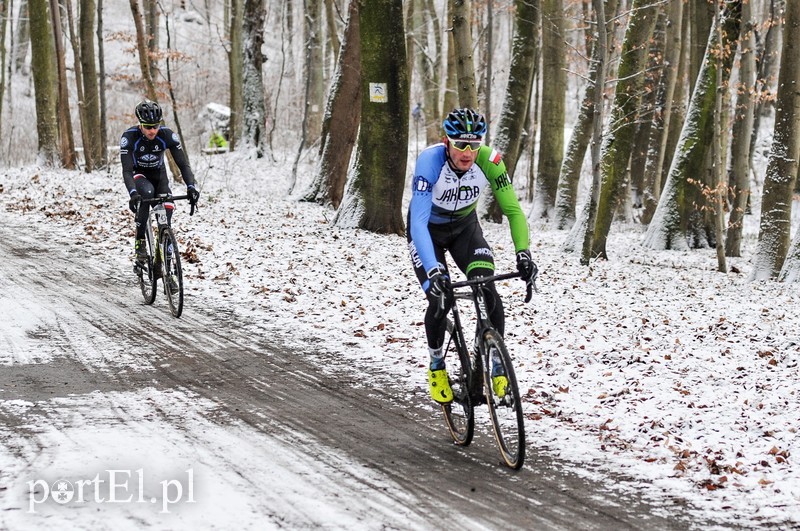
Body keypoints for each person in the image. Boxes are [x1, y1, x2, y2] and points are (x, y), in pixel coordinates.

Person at [406, 108, 537, 404]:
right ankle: (437, 364)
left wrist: (523, 252)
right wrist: (434, 270)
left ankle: (497, 366)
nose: (468, 152)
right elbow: (418, 221)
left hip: (465, 229)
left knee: (487, 288)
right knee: (442, 299)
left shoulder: (490, 162)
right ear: (446, 142)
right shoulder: (430, 161)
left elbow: (514, 211)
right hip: (428, 231)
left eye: (474, 145)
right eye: (460, 144)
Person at [120, 99, 200, 267]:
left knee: (167, 213)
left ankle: (166, 266)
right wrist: (133, 193)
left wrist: (191, 187)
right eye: (148, 127)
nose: (152, 130)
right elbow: (127, 170)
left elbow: (183, 165)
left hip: (159, 176)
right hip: (139, 176)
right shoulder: (129, 137)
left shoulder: (167, 135)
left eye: (155, 126)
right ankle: (140, 242)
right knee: (146, 194)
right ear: (140, 124)